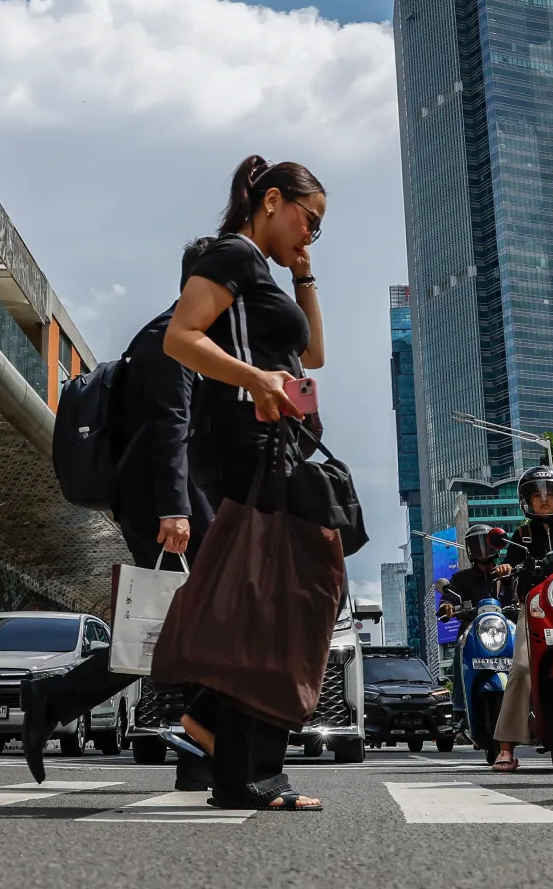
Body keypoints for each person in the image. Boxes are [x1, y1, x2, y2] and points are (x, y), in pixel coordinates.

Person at [20, 239, 221, 788]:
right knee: (192, 627)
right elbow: (168, 429)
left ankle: (198, 759)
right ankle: (198, 755)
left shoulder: (189, 338)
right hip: (163, 509)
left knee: (180, 631)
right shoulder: (167, 338)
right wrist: (177, 510)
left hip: (171, 504)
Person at [162, 156, 330, 811]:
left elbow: (312, 355)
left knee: (275, 606)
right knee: (284, 602)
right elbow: (182, 337)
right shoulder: (232, 255)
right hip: (246, 445)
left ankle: (230, 750)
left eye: (319, 229)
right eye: (308, 220)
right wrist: (257, 380)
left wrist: (305, 272)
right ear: (273, 202)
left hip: (277, 448)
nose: (310, 234)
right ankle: (248, 768)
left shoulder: (265, 272)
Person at [488, 464, 553, 771]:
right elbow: (509, 562)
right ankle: (506, 746)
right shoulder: (522, 535)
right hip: (538, 611)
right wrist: (505, 568)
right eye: (536, 496)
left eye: (549, 495)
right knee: (522, 670)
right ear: (526, 501)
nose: (543, 501)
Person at [440, 526, 519, 623]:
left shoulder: (507, 573)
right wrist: (446, 606)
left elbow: (518, 600)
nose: (482, 548)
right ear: (470, 549)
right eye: (477, 545)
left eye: (486, 545)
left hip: (505, 627)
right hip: (472, 627)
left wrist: (506, 580)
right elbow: (449, 598)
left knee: (523, 635)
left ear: (495, 546)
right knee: (462, 637)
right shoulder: (460, 578)